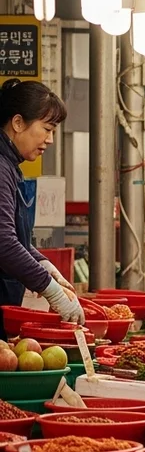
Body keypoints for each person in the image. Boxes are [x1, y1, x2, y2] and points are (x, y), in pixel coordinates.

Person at [0, 80, 83, 328]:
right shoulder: (1, 167)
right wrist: (51, 290)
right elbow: (3, 241)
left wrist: (44, 264)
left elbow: (14, 238)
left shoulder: (10, 165)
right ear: (17, 123)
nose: (50, 140)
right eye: (47, 129)